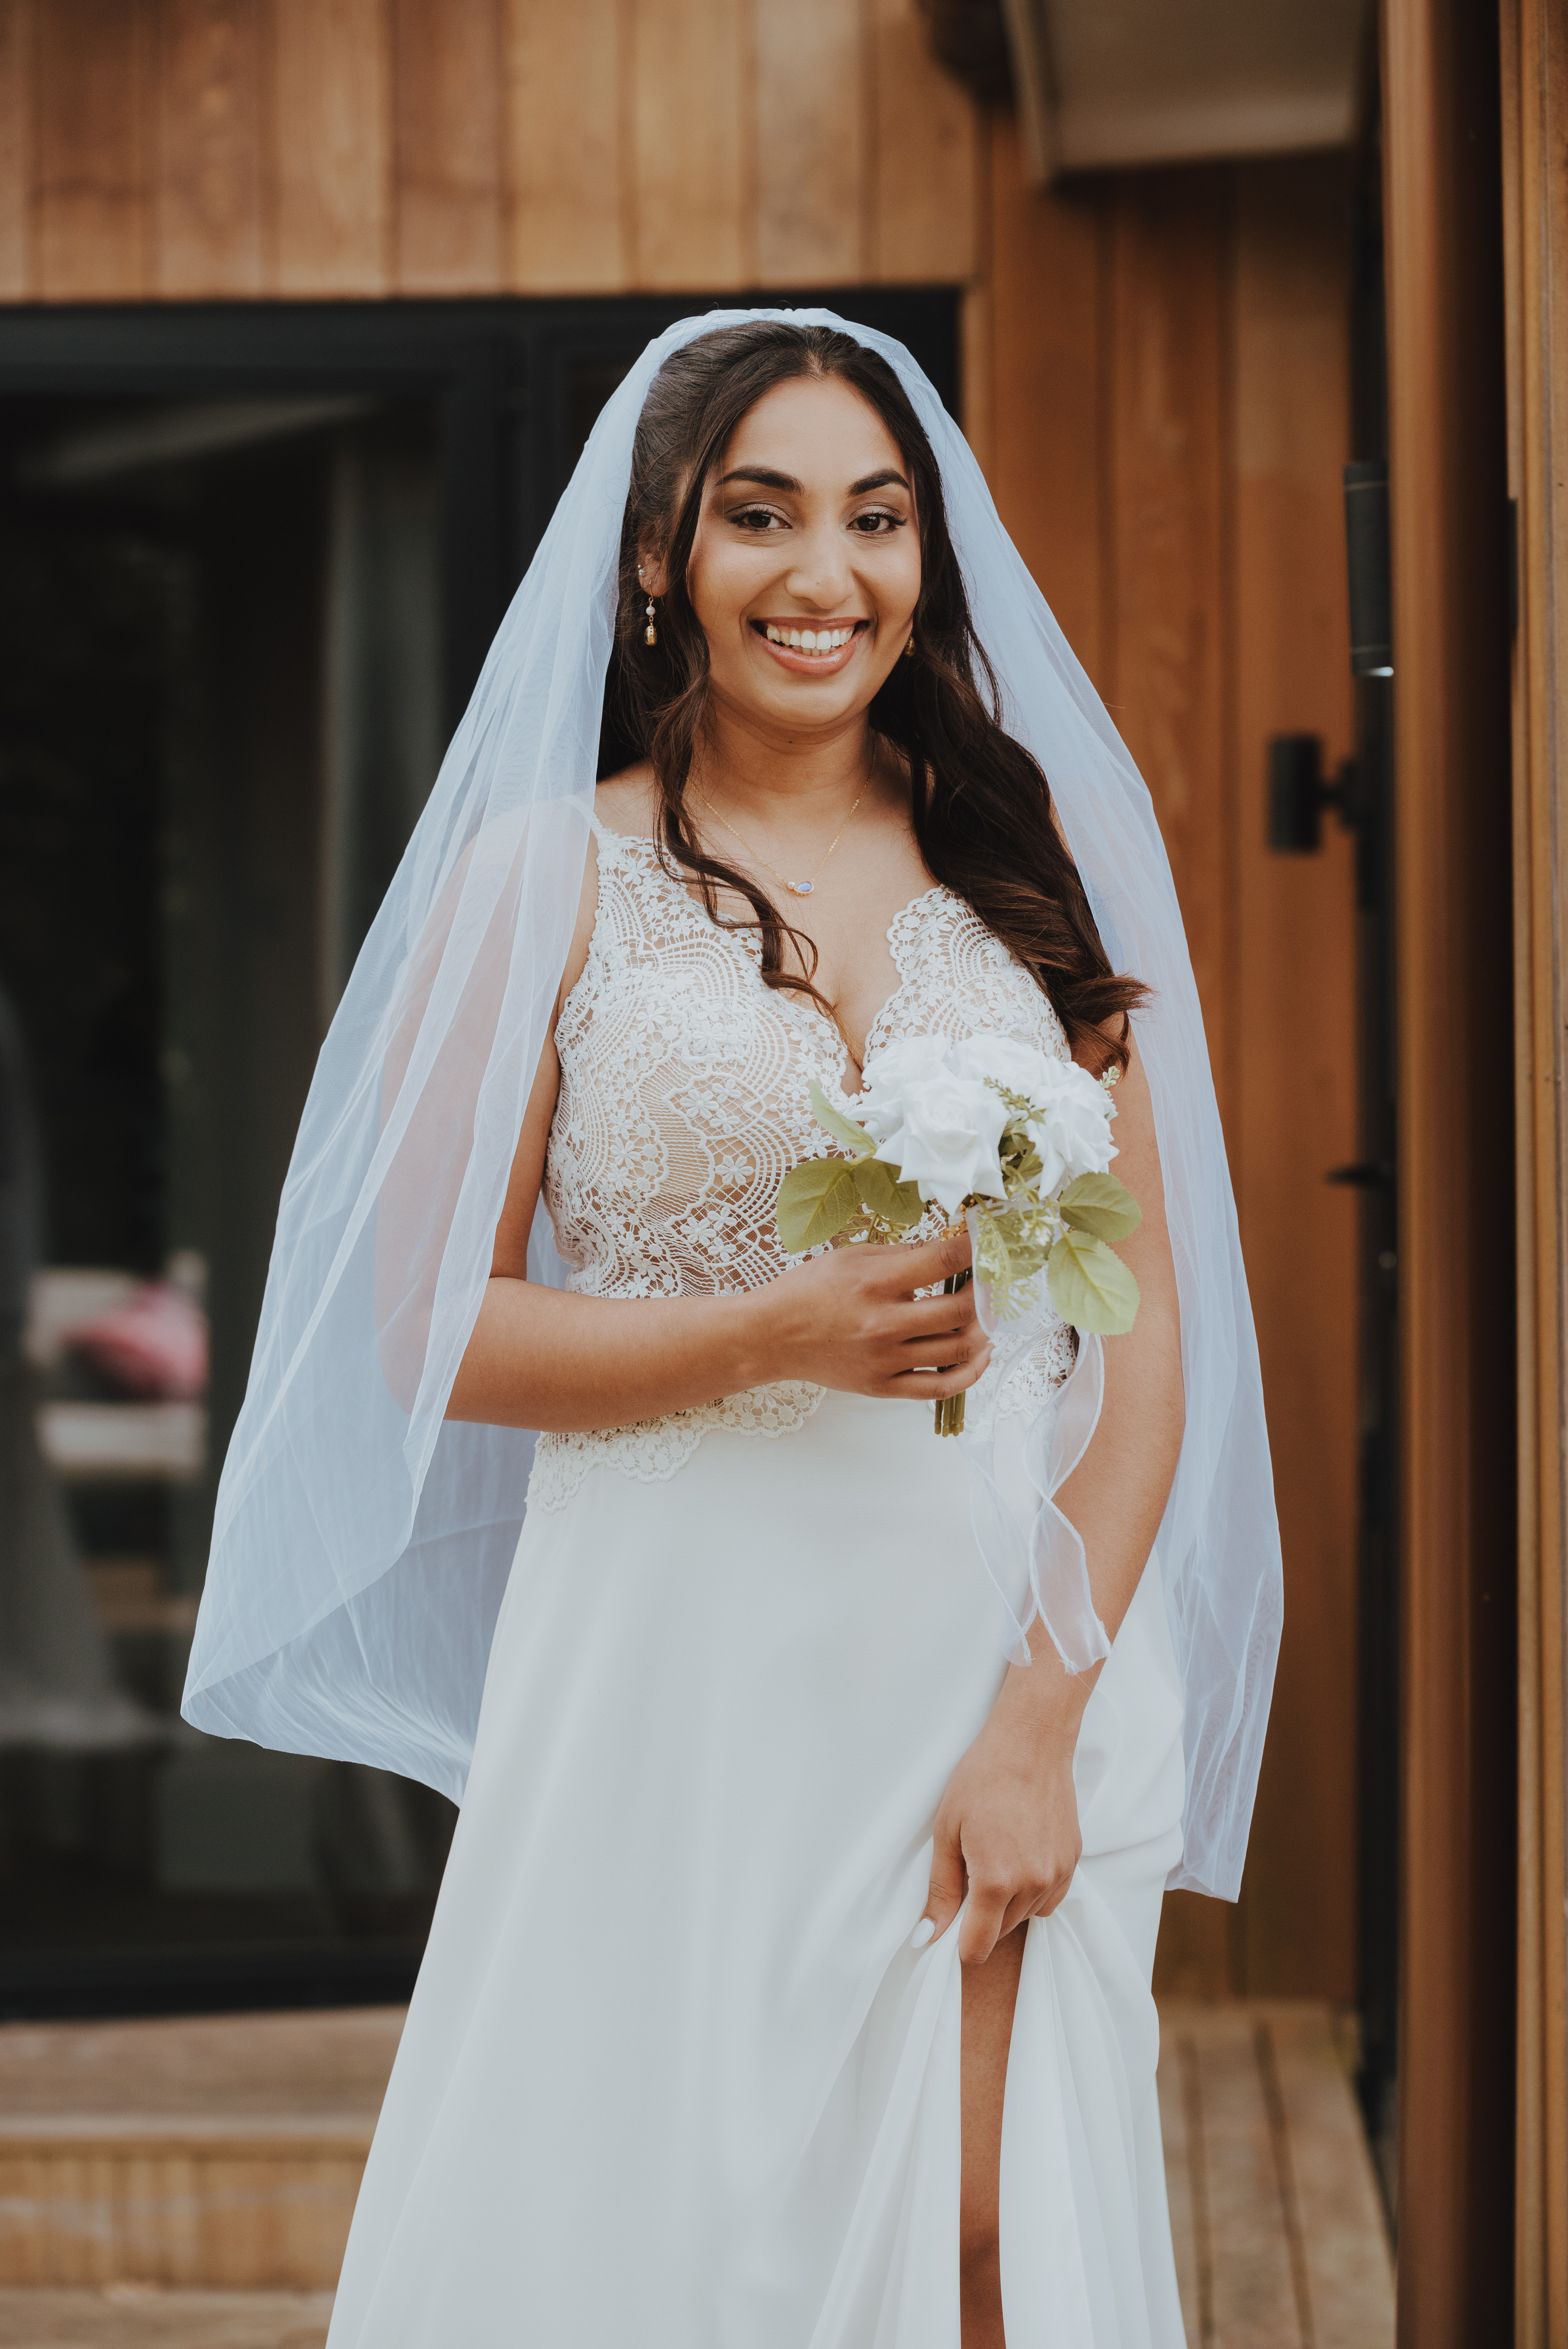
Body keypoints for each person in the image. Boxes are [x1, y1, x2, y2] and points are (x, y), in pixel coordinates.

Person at [185, 313, 1282, 2346]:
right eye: (760, 515)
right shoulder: (550, 877)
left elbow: (1139, 1373)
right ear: (657, 561)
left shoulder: (1025, 877)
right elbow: (417, 1329)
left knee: (985, 2236)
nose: (825, 573)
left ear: (924, 564)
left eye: (876, 520)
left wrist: (1043, 1717)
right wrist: (767, 1334)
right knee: (681, 2243)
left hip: (992, 1660)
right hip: (681, 1676)